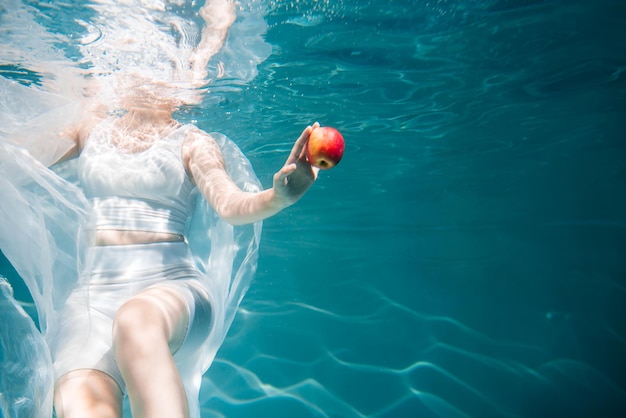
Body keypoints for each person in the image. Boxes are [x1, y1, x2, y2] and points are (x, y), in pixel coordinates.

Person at [0, 1, 320, 417]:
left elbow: (231, 205)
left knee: (136, 322)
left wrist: (278, 196)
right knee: (79, 401)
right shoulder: (88, 127)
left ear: (188, 75)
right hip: (94, 298)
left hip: (172, 290)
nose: (145, 77)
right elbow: (16, 162)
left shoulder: (193, 142)